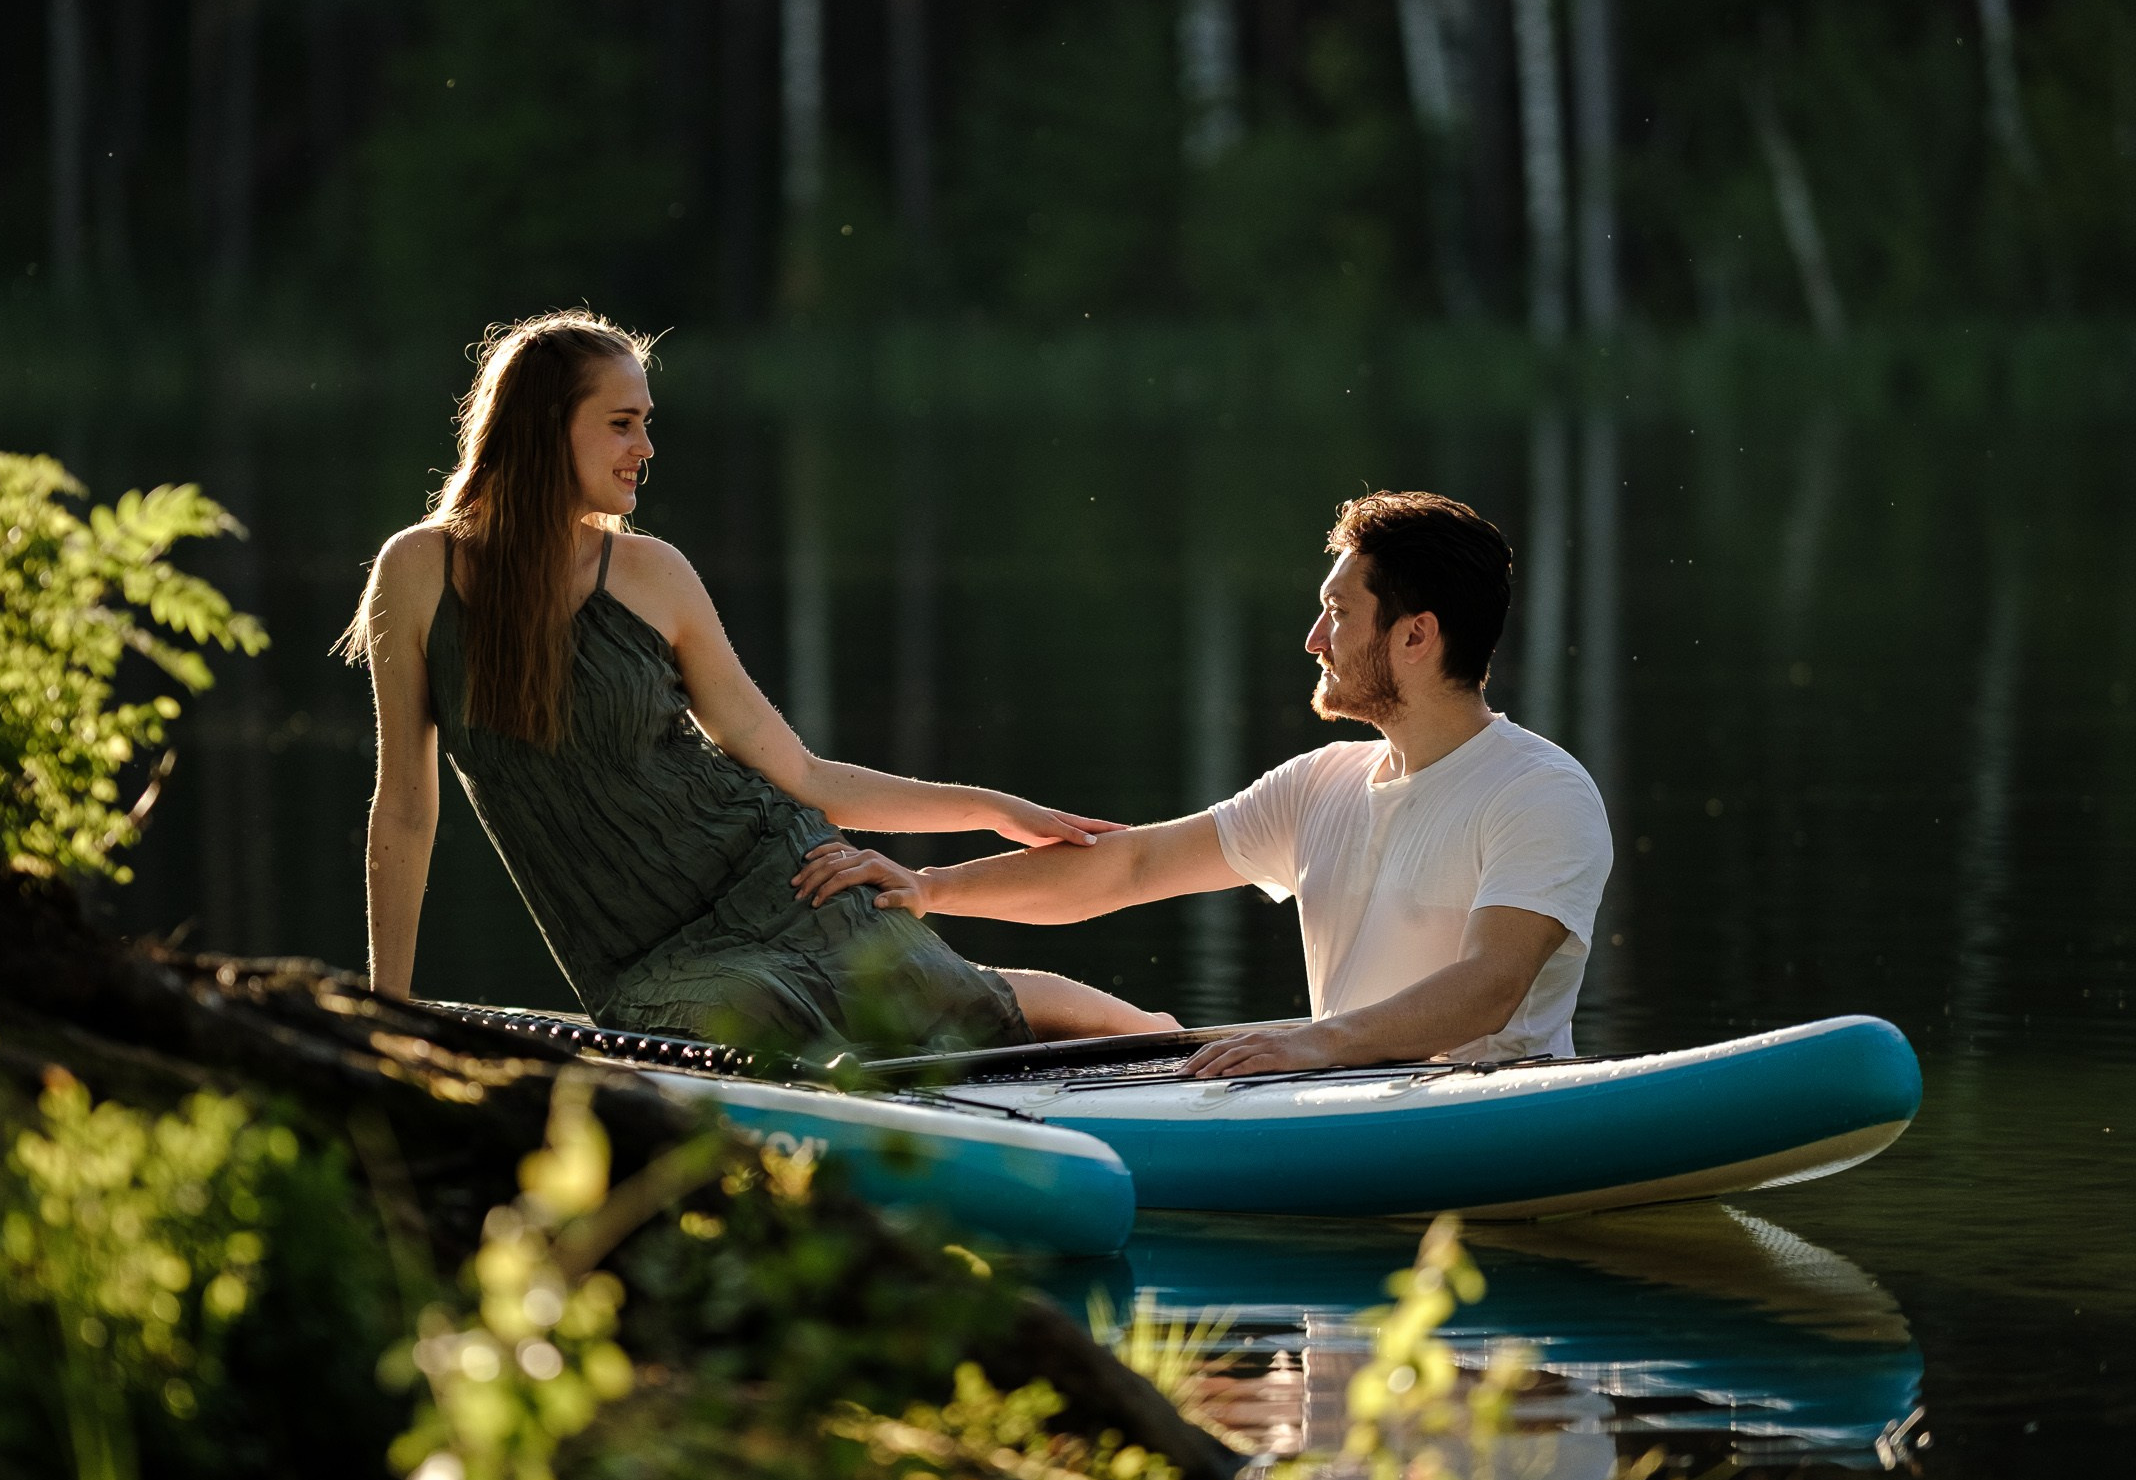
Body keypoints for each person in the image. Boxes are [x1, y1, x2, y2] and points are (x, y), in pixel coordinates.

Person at [342, 310, 1173, 1058]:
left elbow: (800, 774)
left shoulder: (652, 574)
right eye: (621, 424)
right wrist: (388, 1011)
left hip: (776, 869)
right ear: (539, 431)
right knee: (759, 1018)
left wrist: (992, 808)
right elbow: (406, 810)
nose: (646, 448)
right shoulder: (419, 570)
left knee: (950, 1002)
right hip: (636, 956)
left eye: (647, 423)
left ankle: (1168, 1042)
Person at [799, 488, 1613, 1078]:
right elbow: (1130, 865)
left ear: (1416, 636)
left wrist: (1312, 1041)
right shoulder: (1318, 784)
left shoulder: (1538, 792)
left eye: (1337, 613)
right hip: (1334, 1094)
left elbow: (1491, 986)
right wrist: (928, 887)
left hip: (1485, 1107)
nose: (1312, 639)